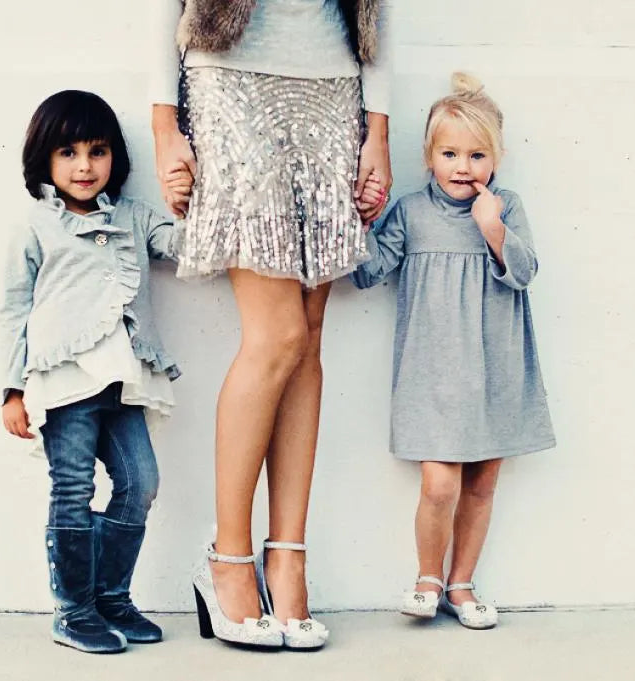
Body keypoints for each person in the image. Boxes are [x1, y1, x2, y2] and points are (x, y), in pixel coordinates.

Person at [149, 0, 393, 650]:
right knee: (277, 334)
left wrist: (379, 130)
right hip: (229, 81)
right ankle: (227, 558)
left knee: (307, 336)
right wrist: (164, 126)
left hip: (335, 88)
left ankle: (287, 559)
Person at [351, 72, 556, 630]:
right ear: (429, 157)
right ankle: (428, 579)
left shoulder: (506, 207)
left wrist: (493, 230)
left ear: (496, 158)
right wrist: (362, 219)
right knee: (440, 484)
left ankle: (461, 584)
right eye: (450, 154)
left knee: (481, 485)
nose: (463, 167)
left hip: (497, 368)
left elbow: (525, 273)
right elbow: (367, 273)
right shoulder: (412, 212)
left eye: (477, 155)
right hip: (433, 373)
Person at [0, 90, 182, 653]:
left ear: (114, 157)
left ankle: (111, 598)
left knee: (140, 483)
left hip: (123, 378)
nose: (84, 166)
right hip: (64, 380)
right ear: (45, 159)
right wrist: (11, 390)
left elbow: (182, 247)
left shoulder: (133, 216)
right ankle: (74, 611)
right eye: (69, 153)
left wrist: (194, 197)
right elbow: (14, 309)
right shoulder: (37, 225)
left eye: (97, 151)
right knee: (73, 487)